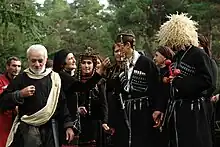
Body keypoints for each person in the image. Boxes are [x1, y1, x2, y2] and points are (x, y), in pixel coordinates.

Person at [0, 44, 74, 147]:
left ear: (46, 59)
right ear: (28, 60)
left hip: (50, 132)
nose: (37, 64)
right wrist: (20, 94)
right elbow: (2, 102)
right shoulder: (21, 79)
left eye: (40, 60)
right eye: (33, 61)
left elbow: (62, 104)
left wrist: (68, 126)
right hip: (27, 132)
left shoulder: (54, 78)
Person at [157, 13, 213, 147]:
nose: (170, 44)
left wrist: (180, 82)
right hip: (176, 111)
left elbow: (207, 81)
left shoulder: (198, 54)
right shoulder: (177, 57)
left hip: (193, 111)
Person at [110, 30, 164, 147]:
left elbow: (157, 88)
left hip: (144, 111)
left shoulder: (146, 63)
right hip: (126, 112)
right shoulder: (122, 65)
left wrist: (158, 109)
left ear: (128, 45)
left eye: (120, 48)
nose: (119, 52)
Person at [76, 48, 109, 147]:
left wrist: (105, 121)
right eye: (84, 63)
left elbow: (104, 103)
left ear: (93, 65)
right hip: (79, 124)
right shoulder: (75, 82)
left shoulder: (100, 82)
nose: (86, 66)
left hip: (95, 124)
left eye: (89, 63)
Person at [0, 56, 21, 147]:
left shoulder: (22, 80)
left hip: (17, 120)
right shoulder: (1, 80)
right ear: (7, 67)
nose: (16, 69)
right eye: (14, 66)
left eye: (19, 66)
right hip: (3, 119)